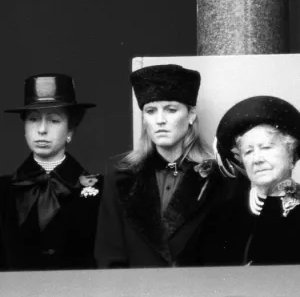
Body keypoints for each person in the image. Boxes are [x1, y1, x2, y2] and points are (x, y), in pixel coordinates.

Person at [94, 64, 238, 268]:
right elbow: (109, 255)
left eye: (171, 110)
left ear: (190, 115)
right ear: (143, 119)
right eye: (151, 111)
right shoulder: (121, 177)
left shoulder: (219, 177)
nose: (160, 120)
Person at [0, 73, 103, 270]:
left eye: (54, 120)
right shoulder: (3, 190)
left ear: (70, 130)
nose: (42, 129)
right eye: (33, 119)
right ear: (24, 128)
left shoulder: (101, 190)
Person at [214, 95, 300, 265]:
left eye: (266, 147)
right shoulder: (223, 215)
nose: (257, 159)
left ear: (291, 153)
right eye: (248, 151)